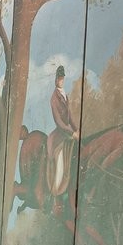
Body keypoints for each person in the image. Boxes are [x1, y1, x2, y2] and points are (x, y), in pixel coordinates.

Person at [48, 64, 78, 195]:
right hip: (60, 133)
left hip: (69, 131)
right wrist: (71, 132)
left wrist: (77, 129)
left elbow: (70, 116)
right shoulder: (54, 98)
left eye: (62, 79)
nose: (61, 81)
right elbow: (59, 121)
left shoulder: (65, 95)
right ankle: (55, 190)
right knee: (59, 158)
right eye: (59, 79)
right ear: (55, 80)